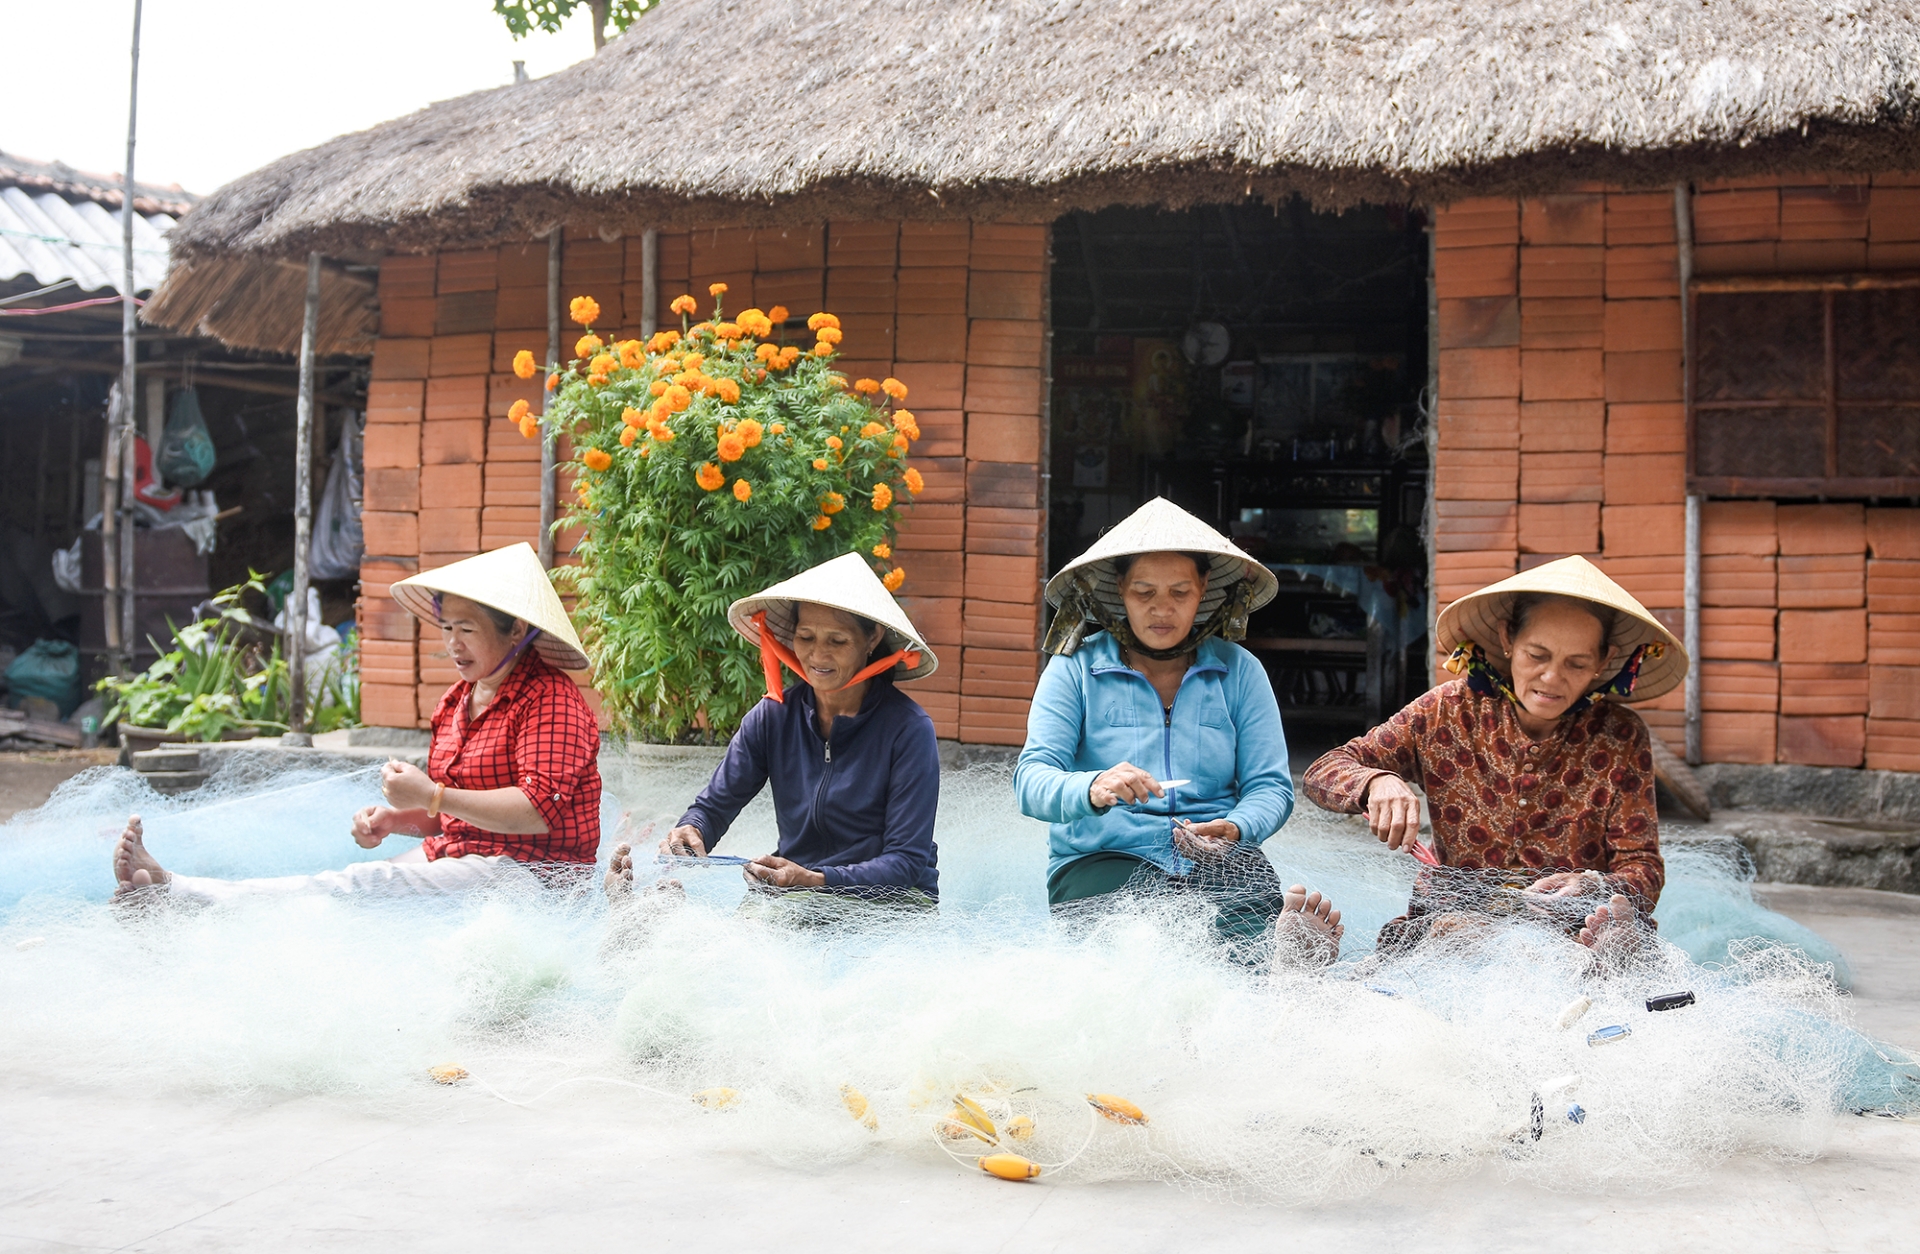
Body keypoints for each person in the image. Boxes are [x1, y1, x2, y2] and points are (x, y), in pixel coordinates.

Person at [112, 543, 603, 903]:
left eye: (468, 629)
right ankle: (177, 896)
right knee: (353, 892)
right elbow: (462, 814)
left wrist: (429, 795)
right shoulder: (457, 701)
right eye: (447, 628)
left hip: (539, 882)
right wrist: (402, 819)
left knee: (362, 891)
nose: (453, 644)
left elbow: (535, 811)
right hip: (474, 861)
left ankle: (180, 896)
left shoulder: (550, 700)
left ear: (516, 630)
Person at [1301, 555, 1687, 960]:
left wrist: (1594, 886)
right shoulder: (1446, 710)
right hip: (1451, 931)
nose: (1552, 678)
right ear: (1508, 639)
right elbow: (1323, 771)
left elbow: (1643, 867)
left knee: (1608, 951)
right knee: (1447, 942)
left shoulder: (1620, 735)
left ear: (1603, 662)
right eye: (1537, 655)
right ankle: (1304, 963)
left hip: (1572, 939)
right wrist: (1375, 782)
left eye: (1577, 663)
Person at [1014, 498, 1343, 964]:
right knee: (1140, 955)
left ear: (1205, 588)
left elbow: (1270, 786)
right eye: (1144, 592)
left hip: (1223, 859)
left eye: (1180, 593)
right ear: (1119, 589)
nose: (1161, 610)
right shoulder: (1074, 670)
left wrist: (1236, 827)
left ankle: (1282, 957)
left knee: (1247, 965)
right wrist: (1093, 786)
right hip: (1102, 858)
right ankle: (1266, 948)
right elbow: (1031, 782)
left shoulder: (1240, 671)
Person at [605, 551, 941, 915]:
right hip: (794, 889)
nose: (817, 655)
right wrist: (693, 831)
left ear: (872, 638)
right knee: (738, 937)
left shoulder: (908, 730)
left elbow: (905, 862)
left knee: (763, 931)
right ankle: (640, 913)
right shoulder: (773, 716)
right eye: (805, 636)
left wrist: (815, 879)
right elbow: (715, 805)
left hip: (894, 900)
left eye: (837, 641)